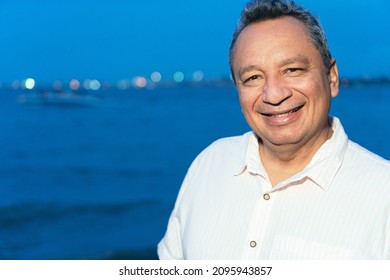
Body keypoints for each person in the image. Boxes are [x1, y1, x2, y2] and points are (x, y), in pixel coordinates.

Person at [158, 0, 390, 259]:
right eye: (253, 78)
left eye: (292, 70)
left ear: (331, 77)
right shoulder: (210, 164)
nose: (274, 94)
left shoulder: (383, 194)